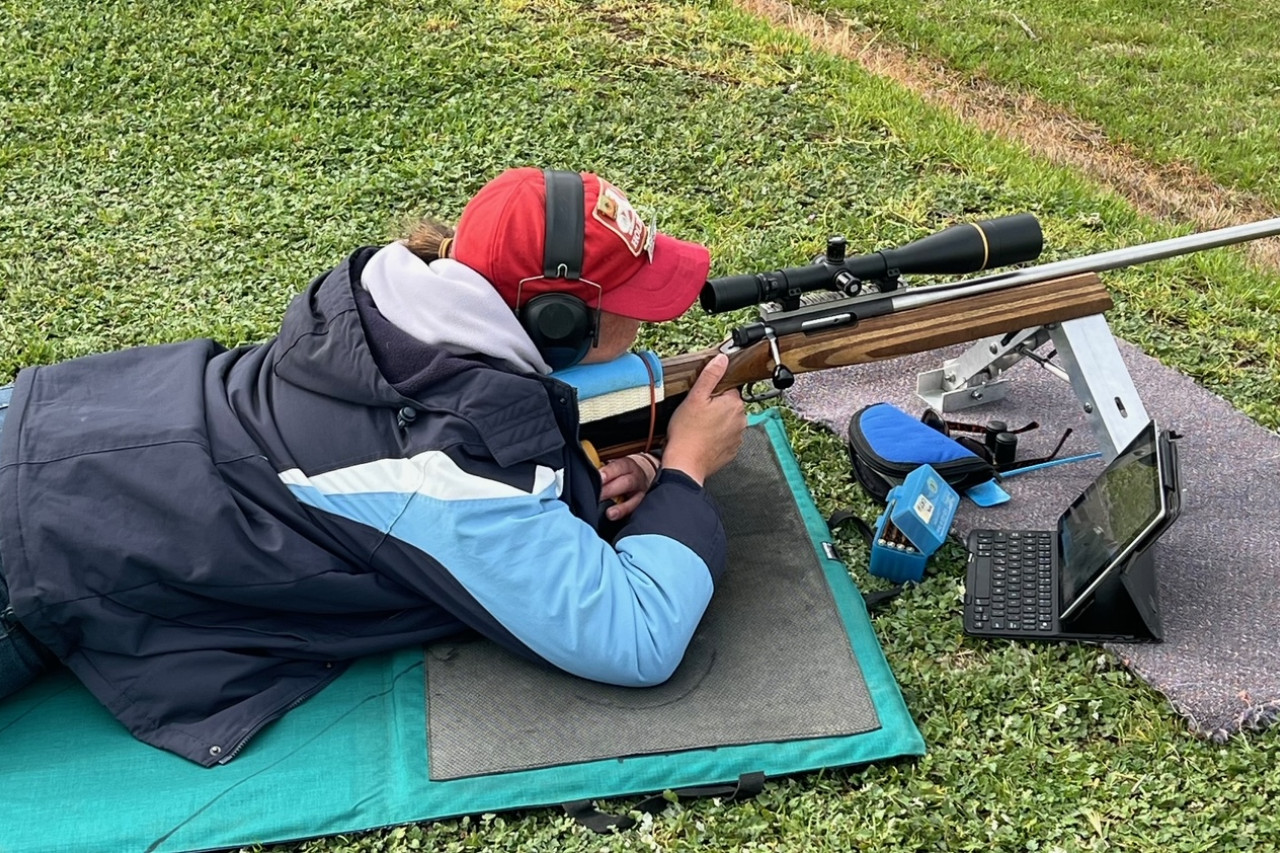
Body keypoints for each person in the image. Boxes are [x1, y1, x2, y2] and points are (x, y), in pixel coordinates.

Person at [0, 167, 747, 766]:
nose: (654, 316)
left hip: (54, 426)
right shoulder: (445, 471)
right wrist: (686, 468)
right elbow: (638, 637)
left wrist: (632, 467)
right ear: (559, 321)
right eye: (631, 300)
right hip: (31, 550)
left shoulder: (378, 312)